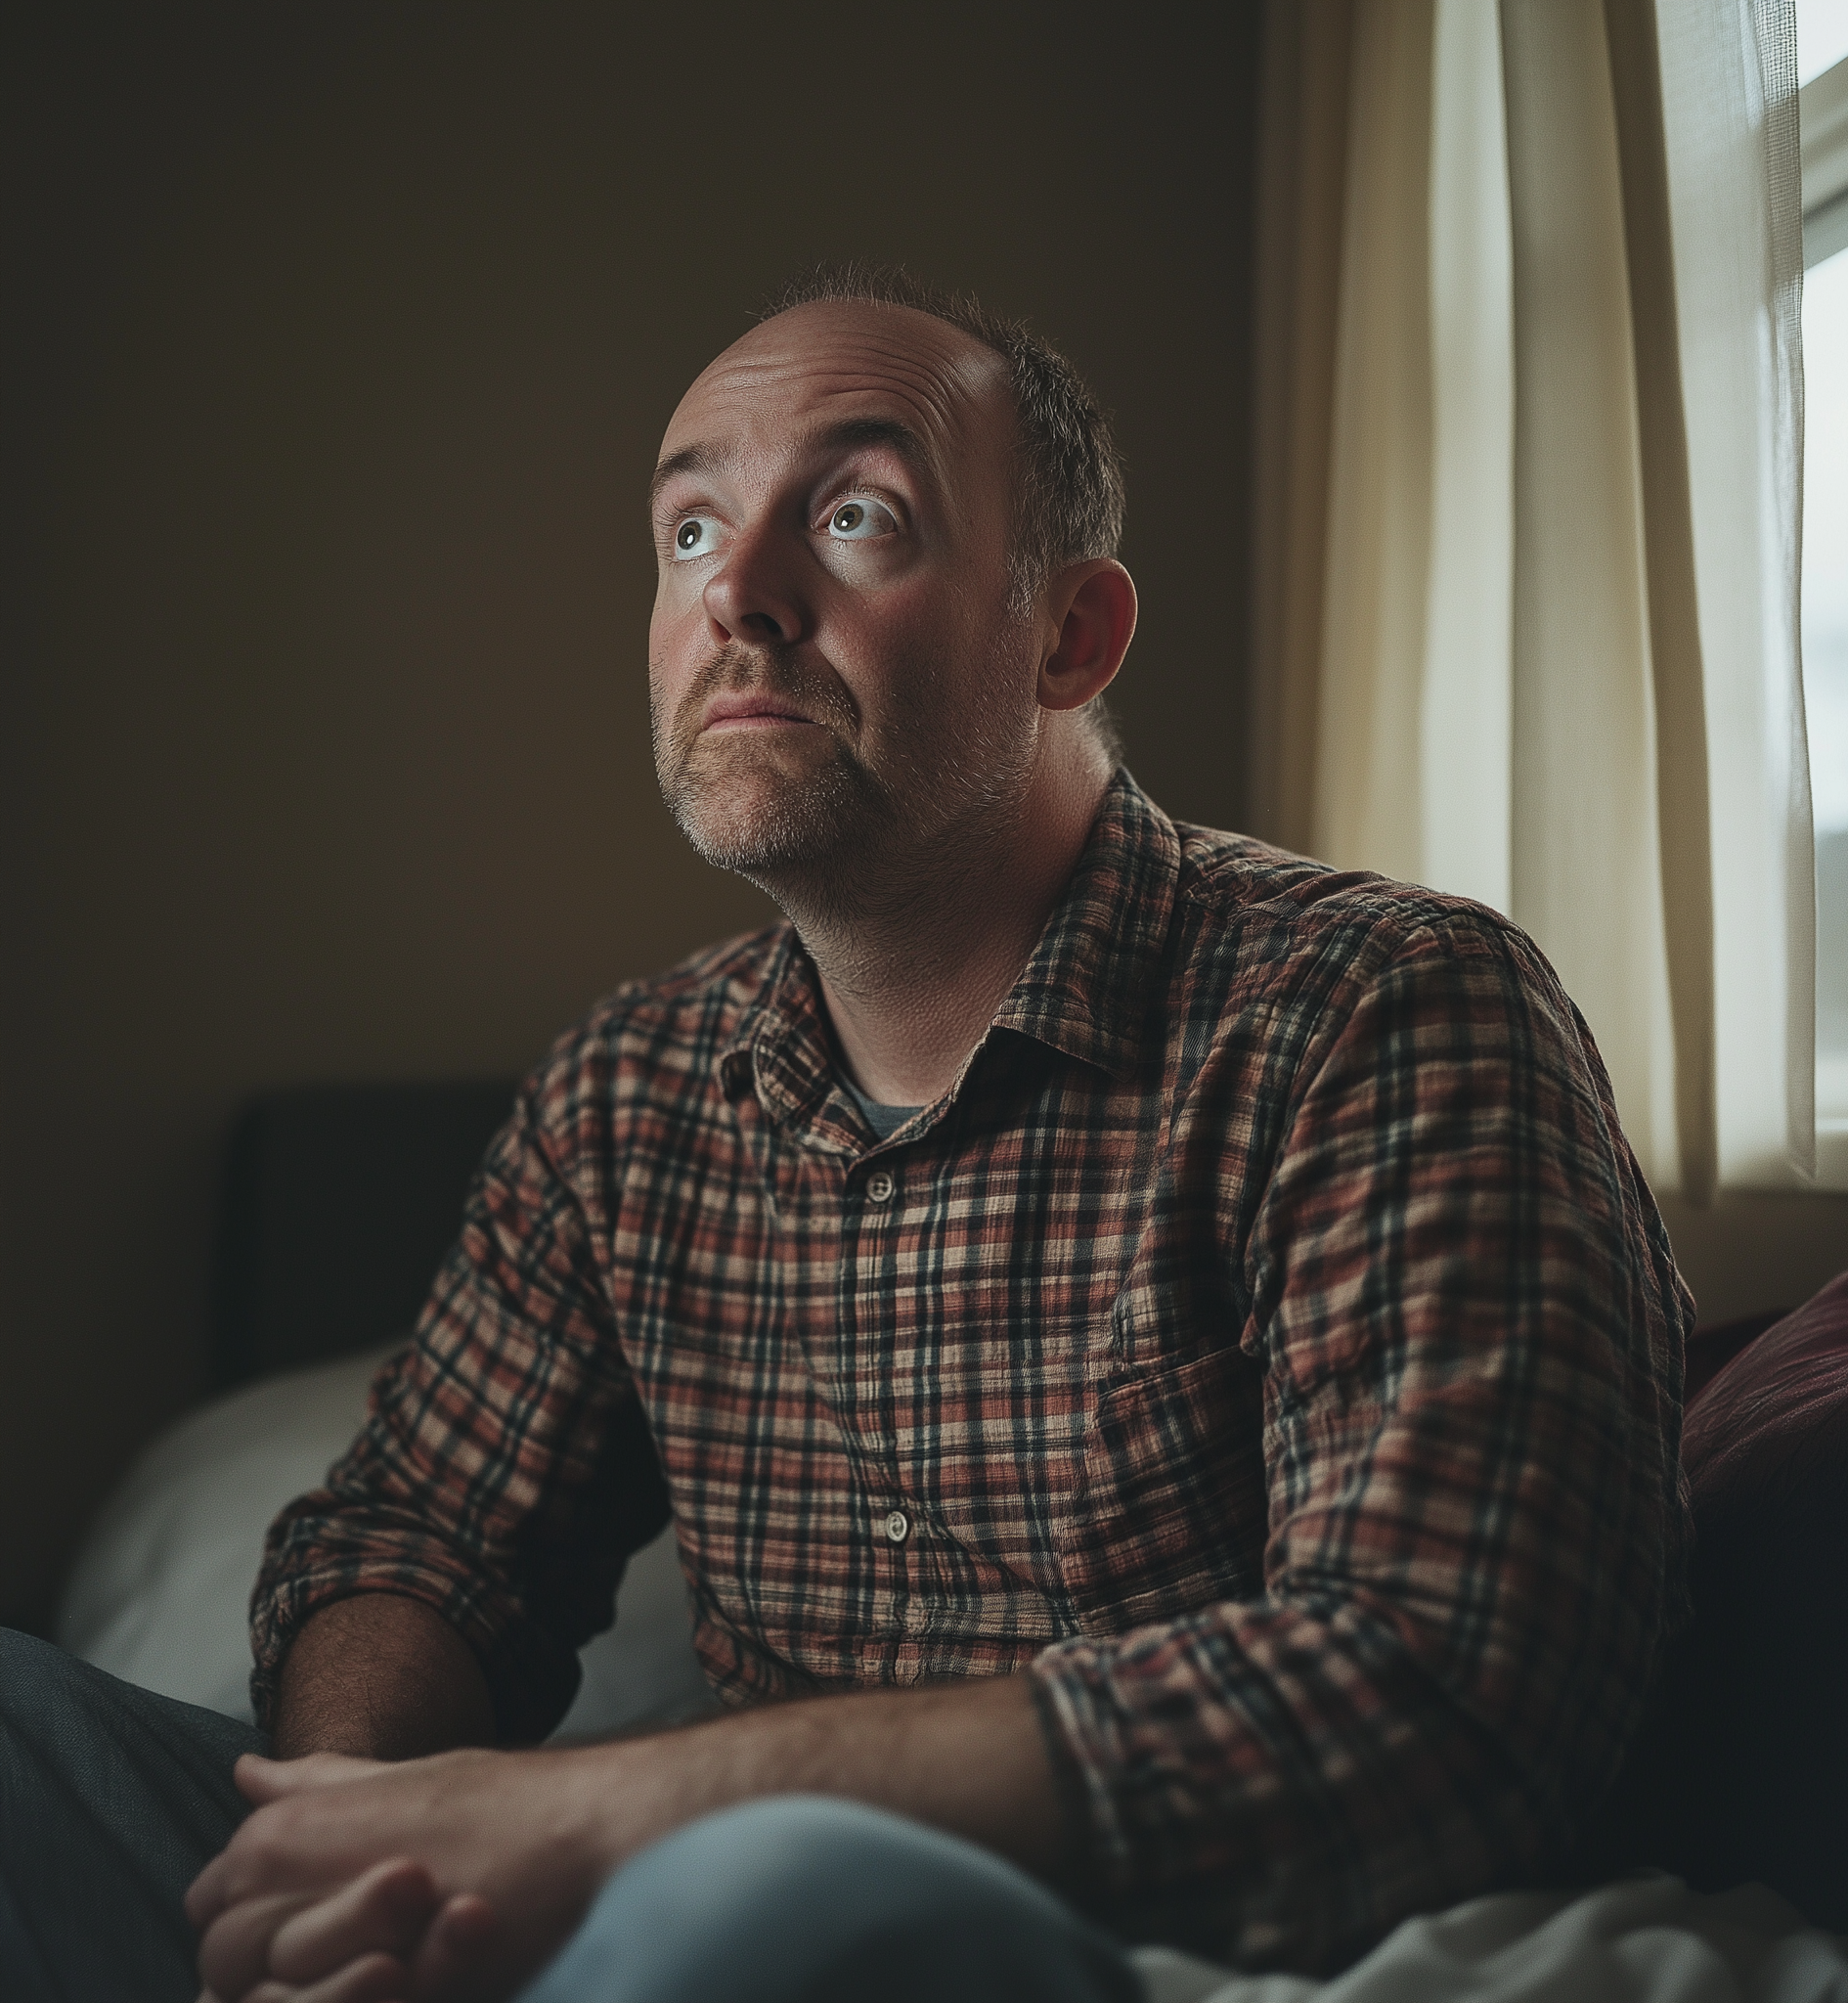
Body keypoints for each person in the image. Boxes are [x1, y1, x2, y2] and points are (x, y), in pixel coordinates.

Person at [0, 268, 1691, 2003]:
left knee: (762, 1905)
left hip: (1080, 1944)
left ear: (1072, 637)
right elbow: (420, 1539)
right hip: (570, 1918)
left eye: (858, 516)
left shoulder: (1380, 1009)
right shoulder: (629, 1093)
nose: (737, 591)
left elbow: (1438, 1692)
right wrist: (365, 1845)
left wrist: (632, 1815)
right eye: (685, 534)